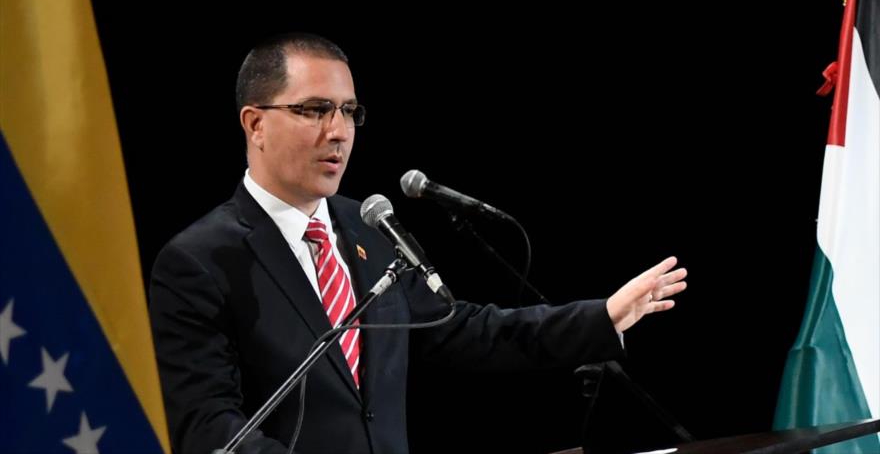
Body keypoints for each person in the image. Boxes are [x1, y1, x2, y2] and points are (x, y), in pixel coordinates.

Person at [148, 32, 687, 454]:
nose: (338, 131)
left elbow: (463, 331)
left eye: (349, 111)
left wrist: (601, 316)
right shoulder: (199, 261)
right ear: (255, 124)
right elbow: (208, 425)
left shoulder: (369, 226)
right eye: (314, 110)